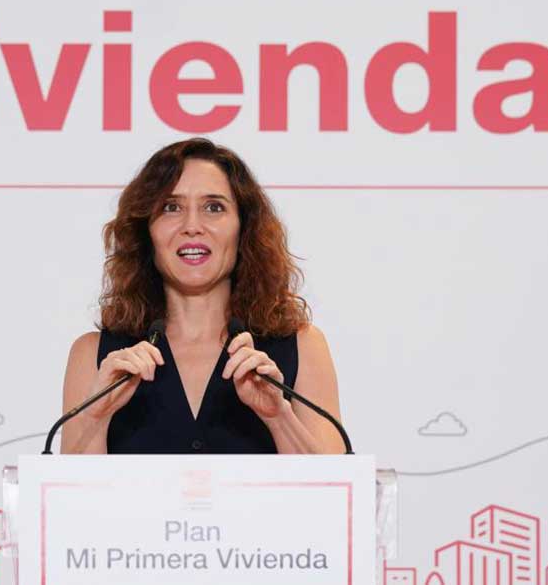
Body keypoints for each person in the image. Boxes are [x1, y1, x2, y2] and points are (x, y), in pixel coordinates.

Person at [60, 138, 345, 454]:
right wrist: (96, 419)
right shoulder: (95, 356)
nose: (192, 226)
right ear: (146, 231)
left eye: (213, 207)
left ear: (243, 228)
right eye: (171, 207)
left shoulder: (302, 346)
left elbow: (338, 483)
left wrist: (279, 418)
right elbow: (66, 486)